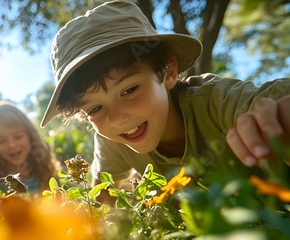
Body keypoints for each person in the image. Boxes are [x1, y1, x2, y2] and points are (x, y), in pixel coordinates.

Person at [40, 1, 290, 194]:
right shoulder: (112, 139)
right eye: (95, 109)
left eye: (129, 90)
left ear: (169, 71)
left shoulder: (216, 102)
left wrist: (278, 119)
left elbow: (271, 103)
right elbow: (104, 193)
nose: (116, 120)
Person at [0, 101, 60, 194]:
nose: (12, 145)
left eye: (18, 136)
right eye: (1, 141)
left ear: (30, 135)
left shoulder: (46, 167)